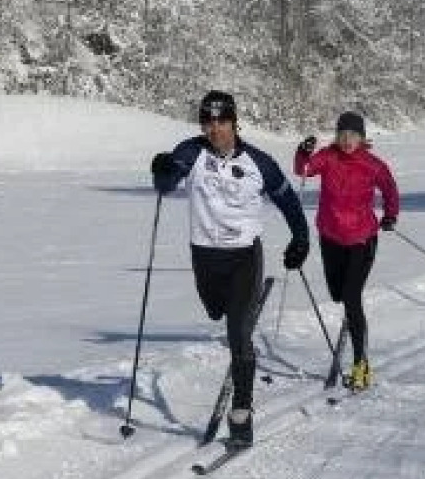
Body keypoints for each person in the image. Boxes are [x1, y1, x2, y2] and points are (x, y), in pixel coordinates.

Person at [150, 90, 310, 448]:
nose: (215, 129)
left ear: (234, 123)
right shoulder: (191, 152)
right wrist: (162, 170)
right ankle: (241, 339)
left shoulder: (259, 163)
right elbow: (166, 184)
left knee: (238, 332)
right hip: (204, 257)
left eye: (221, 121)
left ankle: (242, 413)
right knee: (215, 312)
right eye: (208, 122)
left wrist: (300, 238)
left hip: (243, 257)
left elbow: (288, 201)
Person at [292, 111, 400, 392]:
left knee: (352, 296)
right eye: (342, 134)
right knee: (337, 294)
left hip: (362, 239)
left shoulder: (372, 164)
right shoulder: (328, 157)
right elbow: (304, 170)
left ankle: (360, 362)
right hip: (330, 236)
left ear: (362, 138)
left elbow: (390, 189)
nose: (347, 140)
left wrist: (390, 215)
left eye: (353, 135)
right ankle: (352, 317)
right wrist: (302, 152)